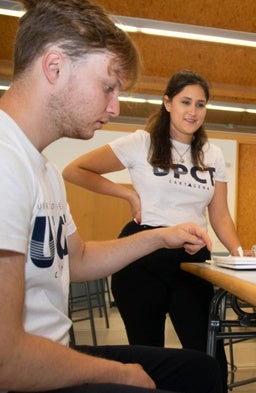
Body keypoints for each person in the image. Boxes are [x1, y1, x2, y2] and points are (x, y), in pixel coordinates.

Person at [0, 1, 223, 392]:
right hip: (23, 368)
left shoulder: (44, 170)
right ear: (54, 67)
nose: (115, 106)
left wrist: (159, 235)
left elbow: (79, 259)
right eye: (107, 87)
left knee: (201, 369)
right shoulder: (6, 161)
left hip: (53, 346)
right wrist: (120, 374)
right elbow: (5, 358)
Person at [62, 70, 240, 384]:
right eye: (185, 101)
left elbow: (220, 216)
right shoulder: (141, 143)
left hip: (190, 261)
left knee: (209, 359)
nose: (192, 111)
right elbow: (75, 170)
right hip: (141, 258)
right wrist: (126, 194)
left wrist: (240, 253)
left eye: (200, 105)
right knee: (148, 362)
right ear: (167, 102)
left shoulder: (213, 154)